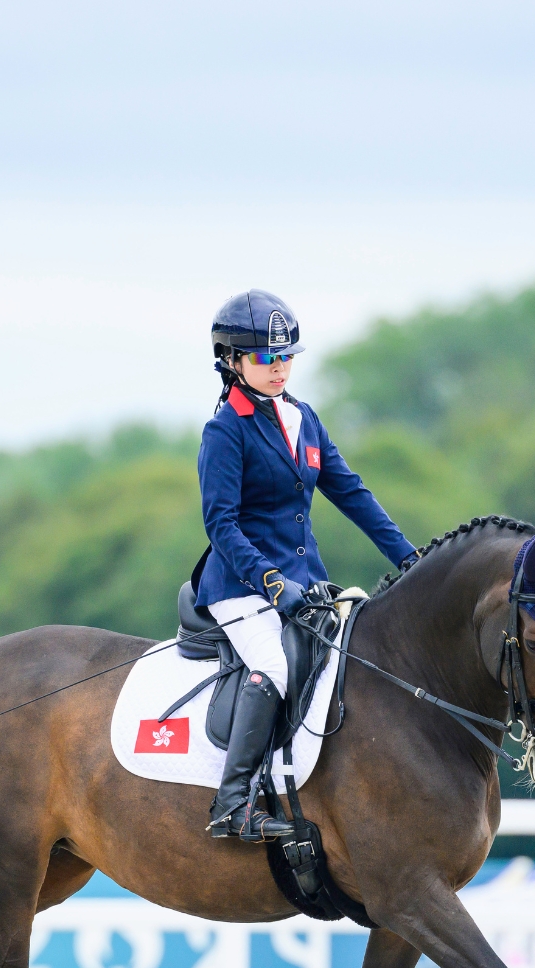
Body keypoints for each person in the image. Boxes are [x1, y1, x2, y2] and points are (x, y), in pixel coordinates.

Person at [196, 288, 418, 841]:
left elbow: (353, 495)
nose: (279, 368)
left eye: (286, 356)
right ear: (232, 361)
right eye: (265, 358)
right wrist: (271, 582)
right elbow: (221, 525)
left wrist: (412, 558)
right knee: (273, 666)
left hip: (306, 582)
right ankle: (233, 803)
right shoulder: (225, 430)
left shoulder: (304, 419)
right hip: (241, 585)